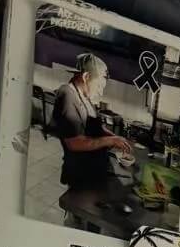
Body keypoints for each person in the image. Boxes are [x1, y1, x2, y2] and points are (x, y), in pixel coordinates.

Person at [49, 53, 133, 188]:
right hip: (79, 171)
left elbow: (94, 125)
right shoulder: (67, 94)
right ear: (86, 77)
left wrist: (114, 137)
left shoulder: (84, 96)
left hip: (93, 166)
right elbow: (74, 142)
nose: (100, 92)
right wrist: (110, 140)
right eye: (99, 86)